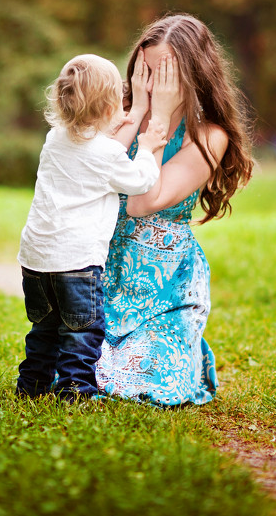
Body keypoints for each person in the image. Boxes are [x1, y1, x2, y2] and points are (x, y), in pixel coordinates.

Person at [97, 14, 255, 406]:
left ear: (194, 73)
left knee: (143, 379)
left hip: (168, 287)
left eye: (165, 72)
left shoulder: (209, 136)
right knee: (74, 370)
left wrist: (162, 119)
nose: (152, 84)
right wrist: (136, 116)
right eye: (145, 71)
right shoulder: (120, 115)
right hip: (103, 275)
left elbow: (142, 202)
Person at [16, 54, 169, 401]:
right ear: (107, 108)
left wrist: (122, 122)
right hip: (77, 263)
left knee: (44, 330)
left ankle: (31, 388)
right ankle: (75, 392)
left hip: (36, 259)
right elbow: (142, 182)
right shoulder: (106, 155)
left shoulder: (54, 139)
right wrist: (146, 147)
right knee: (82, 332)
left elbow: (91, 149)